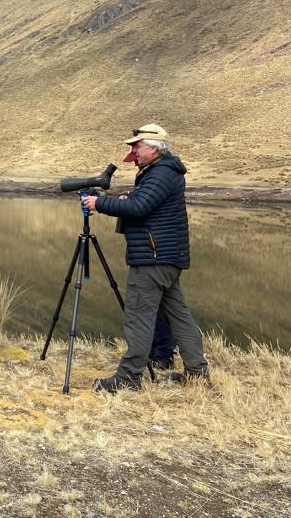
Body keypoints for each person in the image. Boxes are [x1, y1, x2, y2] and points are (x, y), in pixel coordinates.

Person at [81, 124, 210, 392]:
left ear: (153, 147)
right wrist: (125, 198)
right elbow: (144, 203)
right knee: (179, 316)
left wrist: (99, 204)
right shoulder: (161, 172)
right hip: (166, 258)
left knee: (138, 316)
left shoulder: (160, 173)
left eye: (136, 146)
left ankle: (128, 378)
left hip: (153, 258)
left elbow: (139, 208)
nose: (132, 152)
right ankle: (197, 374)